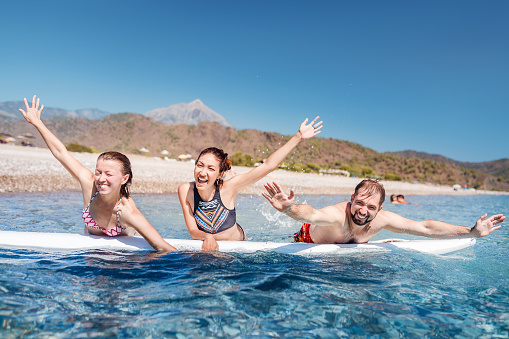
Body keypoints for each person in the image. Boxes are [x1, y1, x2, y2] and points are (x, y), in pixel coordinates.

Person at [19, 95, 176, 252]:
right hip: (91, 258)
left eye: (109, 174)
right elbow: (61, 153)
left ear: (124, 178)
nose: (101, 179)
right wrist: (38, 123)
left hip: (123, 262)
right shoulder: (89, 183)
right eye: (98, 172)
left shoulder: (127, 211)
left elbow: (161, 246)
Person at [178, 116, 323, 250]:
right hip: (211, 244)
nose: (203, 172)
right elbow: (193, 231)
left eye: (211, 168)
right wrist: (207, 236)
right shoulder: (185, 190)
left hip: (240, 246)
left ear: (220, 174)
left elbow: (267, 166)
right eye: (200, 165)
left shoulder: (229, 187)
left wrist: (298, 137)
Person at [262, 179, 505, 244]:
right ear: (351, 199)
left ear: (380, 209)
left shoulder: (382, 220)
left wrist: (471, 232)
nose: (362, 211)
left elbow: (424, 227)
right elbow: (311, 214)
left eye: (370, 207)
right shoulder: (338, 215)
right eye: (359, 203)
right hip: (307, 241)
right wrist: (289, 208)